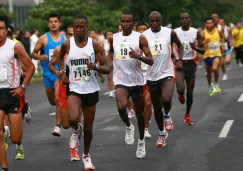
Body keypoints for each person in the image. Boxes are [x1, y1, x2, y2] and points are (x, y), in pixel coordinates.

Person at [58, 14, 111, 170]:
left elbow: (108, 68)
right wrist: (62, 72)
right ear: (73, 28)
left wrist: (95, 67)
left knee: (88, 127)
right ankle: (76, 129)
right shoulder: (67, 43)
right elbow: (61, 58)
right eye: (75, 27)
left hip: (91, 89)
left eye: (81, 27)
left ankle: (86, 155)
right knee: (73, 119)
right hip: (74, 87)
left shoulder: (95, 45)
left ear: (86, 27)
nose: (78, 30)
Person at [108, 12, 153, 159]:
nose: (125, 24)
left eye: (128, 22)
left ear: (133, 23)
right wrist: (109, 63)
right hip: (121, 79)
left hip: (137, 81)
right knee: (121, 106)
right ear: (120, 23)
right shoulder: (114, 38)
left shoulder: (140, 38)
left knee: (140, 114)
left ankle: (141, 141)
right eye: (123, 22)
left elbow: (151, 60)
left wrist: (139, 56)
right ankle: (128, 126)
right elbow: (111, 52)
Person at [143, 11, 183, 147]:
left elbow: (180, 45)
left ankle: (168, 114)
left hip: (167, 72)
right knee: (156, 106)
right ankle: (161, 133)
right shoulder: (144, 36)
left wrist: (179, 59)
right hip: (151, 75)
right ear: (148, 21)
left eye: (157, 21)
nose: (154, 23)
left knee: (166, 99)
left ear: (161, 21)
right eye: (152, 21)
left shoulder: (169, 32)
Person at [0, 14, 35, 171]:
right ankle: (4, 167)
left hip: (13, 93)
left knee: (15, 138)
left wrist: (23, 87)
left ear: (6, 29)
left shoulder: (15, 46)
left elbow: (31, 67)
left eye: (1, 28)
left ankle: (24, 107)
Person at [32, 13, 65, 136]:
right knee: (52, 101)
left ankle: (57, 126)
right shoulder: (43, 38)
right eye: (51, 22)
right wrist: (40, 56)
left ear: (60, 23)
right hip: (47, 74)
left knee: (58, 98)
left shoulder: (64, 39)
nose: (53, 23)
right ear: (48, 24)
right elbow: (33, 53)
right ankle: (58, 112)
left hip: (58, 73)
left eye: (56, 21)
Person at [174, 13, 204, 125]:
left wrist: (194, 47)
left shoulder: (195, 32)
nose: (185, 20)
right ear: (180, 20)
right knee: (180, 88)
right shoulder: (175, 32)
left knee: (190, 93)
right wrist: (175, 58)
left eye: (186, 18)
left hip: (191, 63)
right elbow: (170, 46)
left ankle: (187, 115)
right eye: (182, 18)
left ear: (189, 19)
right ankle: (180, 94)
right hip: (179, 63)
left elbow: (203, 50)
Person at [136, 22, 152, 138]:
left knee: (147, 103)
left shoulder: (151, 43)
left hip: (149, 76)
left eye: (144, 29)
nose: (142, 31)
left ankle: (146, 129)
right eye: (139, 29)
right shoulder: (132, 43)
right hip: (135, 77)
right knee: (139, 107)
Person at [202, 17, 225, 96]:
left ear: (213, 23)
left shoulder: (218, 31)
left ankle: (216, 83)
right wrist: (204, 41)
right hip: (207, 55)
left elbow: (223, 37)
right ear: (205, 24)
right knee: (208, 73)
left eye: (211, 23)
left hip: (217, 54)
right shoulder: (203, 32)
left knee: (214, 68)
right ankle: (210, 86)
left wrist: (222, 45)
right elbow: (198, 43)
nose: (209, 24)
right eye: (208, 23)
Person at [103, 30, 115, 98]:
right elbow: (102, 51)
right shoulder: (104, 42)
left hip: (116, 61)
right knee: (109, 77)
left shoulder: (115, 41)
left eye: (111, 34)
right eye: (108, 34)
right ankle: (111, 91)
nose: (109, 36)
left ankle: (118, 89)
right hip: (108, 61)